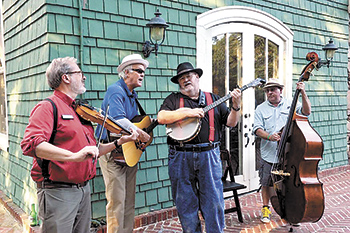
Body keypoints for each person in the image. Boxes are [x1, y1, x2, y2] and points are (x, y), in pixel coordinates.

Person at [20, 57, 138, 233]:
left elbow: (92, 151)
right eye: (79, 73)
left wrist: (119, 142)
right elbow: (30, 145)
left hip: (83, 190)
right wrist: (73, 156)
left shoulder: (78, 111)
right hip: (58, 191)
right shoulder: (48, 107)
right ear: (66, 77)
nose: (83, 77)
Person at [157, 62, 242, 233]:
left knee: (213, 203)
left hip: (209, 155)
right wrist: (189, 112)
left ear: (197, 77)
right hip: (180, 156)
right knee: (186, 204)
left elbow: (231, 122)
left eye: (188, 76)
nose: (185, 80)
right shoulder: (173, 100)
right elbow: (162, 117)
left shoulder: (214, 99)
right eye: (182, 78)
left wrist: (236, 105)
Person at [95, 54, 151, 233]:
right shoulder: (116, 90)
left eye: (144, 72)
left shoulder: (132, 95)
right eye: (139, 71)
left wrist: (141, 133)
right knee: (117, 202)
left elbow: (133, 121)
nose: (143, 74)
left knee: (128, 201)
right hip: (112, 152)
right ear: (126, 73)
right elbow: (119, 121)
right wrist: (141, 133)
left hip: (127, 152)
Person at [253, 78, 311, 223]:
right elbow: (257, 129)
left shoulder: (291, 104)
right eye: (267, 90)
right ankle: (266, 208)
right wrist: (269, 136)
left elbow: (306, 112)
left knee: (289, 183)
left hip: (288, 154)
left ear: (280, 90)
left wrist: (303, 92)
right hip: (269, 153)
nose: (269, 92)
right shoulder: (260, 109)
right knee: (266, 182)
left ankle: (289, 211)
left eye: (272, 89)